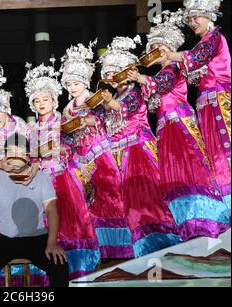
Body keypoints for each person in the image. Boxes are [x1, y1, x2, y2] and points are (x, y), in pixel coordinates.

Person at [128, 9, 226, 241]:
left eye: (157, 49)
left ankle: (208, 221)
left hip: (184, 124)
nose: (153, 53)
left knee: (198, 168)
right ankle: (189, 226)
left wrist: (140, 77)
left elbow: (162, 85)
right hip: (170, 127)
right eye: (151, 49)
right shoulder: (168, 67)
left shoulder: (175, 66)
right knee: (176, 177)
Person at [100, 36, 181, 257]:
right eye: (108, 75)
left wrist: (108, 102)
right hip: (120, 156)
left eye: (115, 73)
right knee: (128, 205)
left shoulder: (133, 93)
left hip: (138, 152)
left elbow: (124, 108)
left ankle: (165, 244)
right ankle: (140, 250)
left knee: (147, 200)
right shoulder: (111, 99)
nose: (111, 78)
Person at [24, 60, 100, 279]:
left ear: (54, 100)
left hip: (62, 176)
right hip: (42, 181)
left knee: (71, 221)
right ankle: (47, 272)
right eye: (36, 101)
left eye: (45, 99)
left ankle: (77, 267)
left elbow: (68, 147)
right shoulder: (32, 128)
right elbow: (35, 159)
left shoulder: (63, 120)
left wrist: (50, 150)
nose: (41, 104)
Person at [60, 41, 129, 259]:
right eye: (69, 83)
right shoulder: (66, 107)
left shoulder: (95, 99)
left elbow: (104, 118)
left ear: (84, 82)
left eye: (76, 83)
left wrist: (86, 120)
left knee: (110, 197)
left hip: (99, 155)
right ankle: (99, 248)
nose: (72, 87)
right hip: (80, 160)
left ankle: (121, 247)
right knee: (88, 203)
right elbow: (66, 134)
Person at [0, 133, 69, 287]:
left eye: (20, 153)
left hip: (36, 238)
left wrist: (51, 242)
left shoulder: (41, 177)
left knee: (60, 265)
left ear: (28, 156)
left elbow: (51, 211)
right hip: (5, 238)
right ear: (4, 155)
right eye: (11, 153)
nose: (15, 158)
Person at [163, 0, 231, 215]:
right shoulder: (204, 42)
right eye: (190, 19)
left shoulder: (214, 38)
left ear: (209, 16)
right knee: (214, 155)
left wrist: (170, 55)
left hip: (220, 103)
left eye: (196, 17)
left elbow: (197, 57)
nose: (193, 22)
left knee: (224, 151)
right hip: (206, 106)